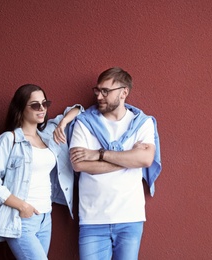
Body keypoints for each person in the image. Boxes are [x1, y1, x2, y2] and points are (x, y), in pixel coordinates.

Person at [0, 84, 83, 260]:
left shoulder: (48, 134)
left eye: (44, 103)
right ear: (20, 108)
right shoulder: (9, 140)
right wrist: (22, 206)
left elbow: (79, 109)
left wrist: (63, 123)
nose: (42, 109)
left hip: (45, 218)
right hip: (21, 218)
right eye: (35, 105)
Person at [69, 67, 162, 260]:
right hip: (93, 219)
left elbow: (145, 159)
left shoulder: (142, 123)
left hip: (130, 217)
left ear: (123, 92)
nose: (99, 96)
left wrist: (99, 154)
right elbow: (79, 165)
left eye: (106, 91)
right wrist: (129, 159)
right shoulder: (83, 123)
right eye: (98, 91)